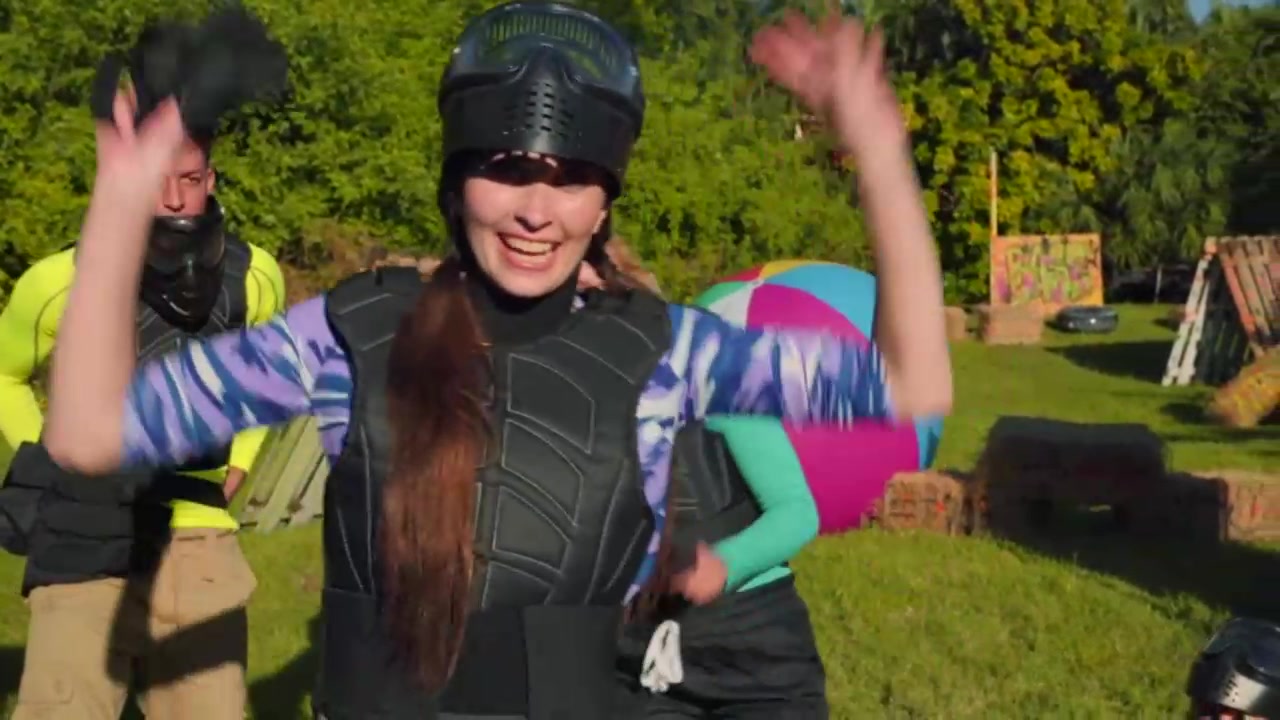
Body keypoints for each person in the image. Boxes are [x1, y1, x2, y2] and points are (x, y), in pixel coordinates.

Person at [42, 3, 951, 719]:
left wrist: (878, 154)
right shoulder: (350, 337)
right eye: (508, 170)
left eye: (570, 179)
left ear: (605, 203)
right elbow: (88, 432)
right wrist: (121, 197)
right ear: (456, 180)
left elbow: (912, 385)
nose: (536, 211)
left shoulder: (667, 347)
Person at [0, 9, 289, 720]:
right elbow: (3, 374)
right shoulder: (55, 282)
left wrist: (239, 466)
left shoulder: (255, 278)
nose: (171, 197)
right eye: (157, 176)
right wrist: (49, 451)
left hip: (197, 537)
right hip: (82, 533)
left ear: (211, 178)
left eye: (188, 178)